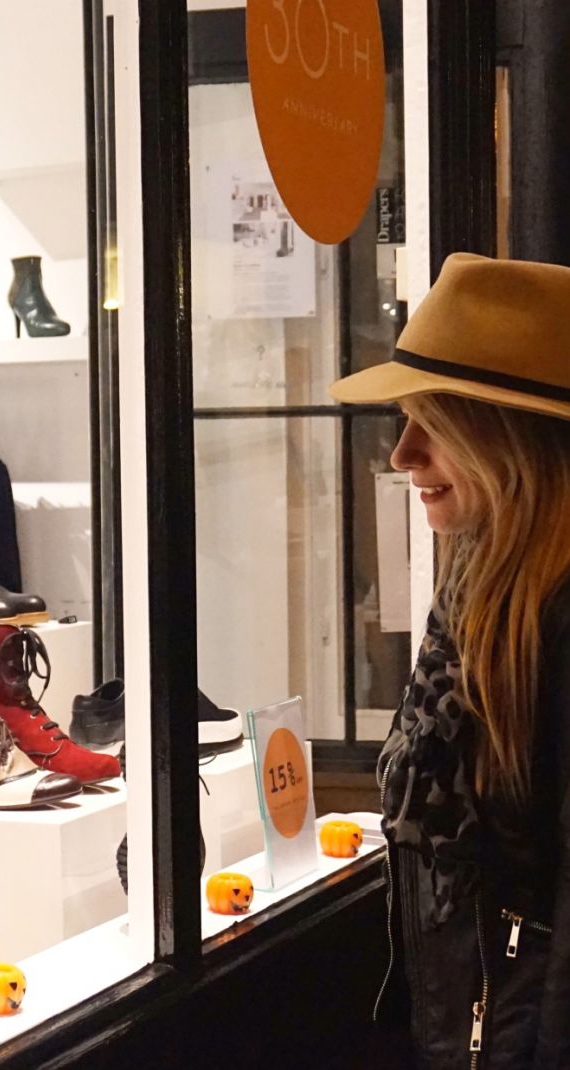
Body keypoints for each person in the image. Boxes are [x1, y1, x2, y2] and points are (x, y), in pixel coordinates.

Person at [329, 252, 570, 1069]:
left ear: (512, 443)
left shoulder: (550, 613)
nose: (403, 454)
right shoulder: (483, 592)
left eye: (435, 425)